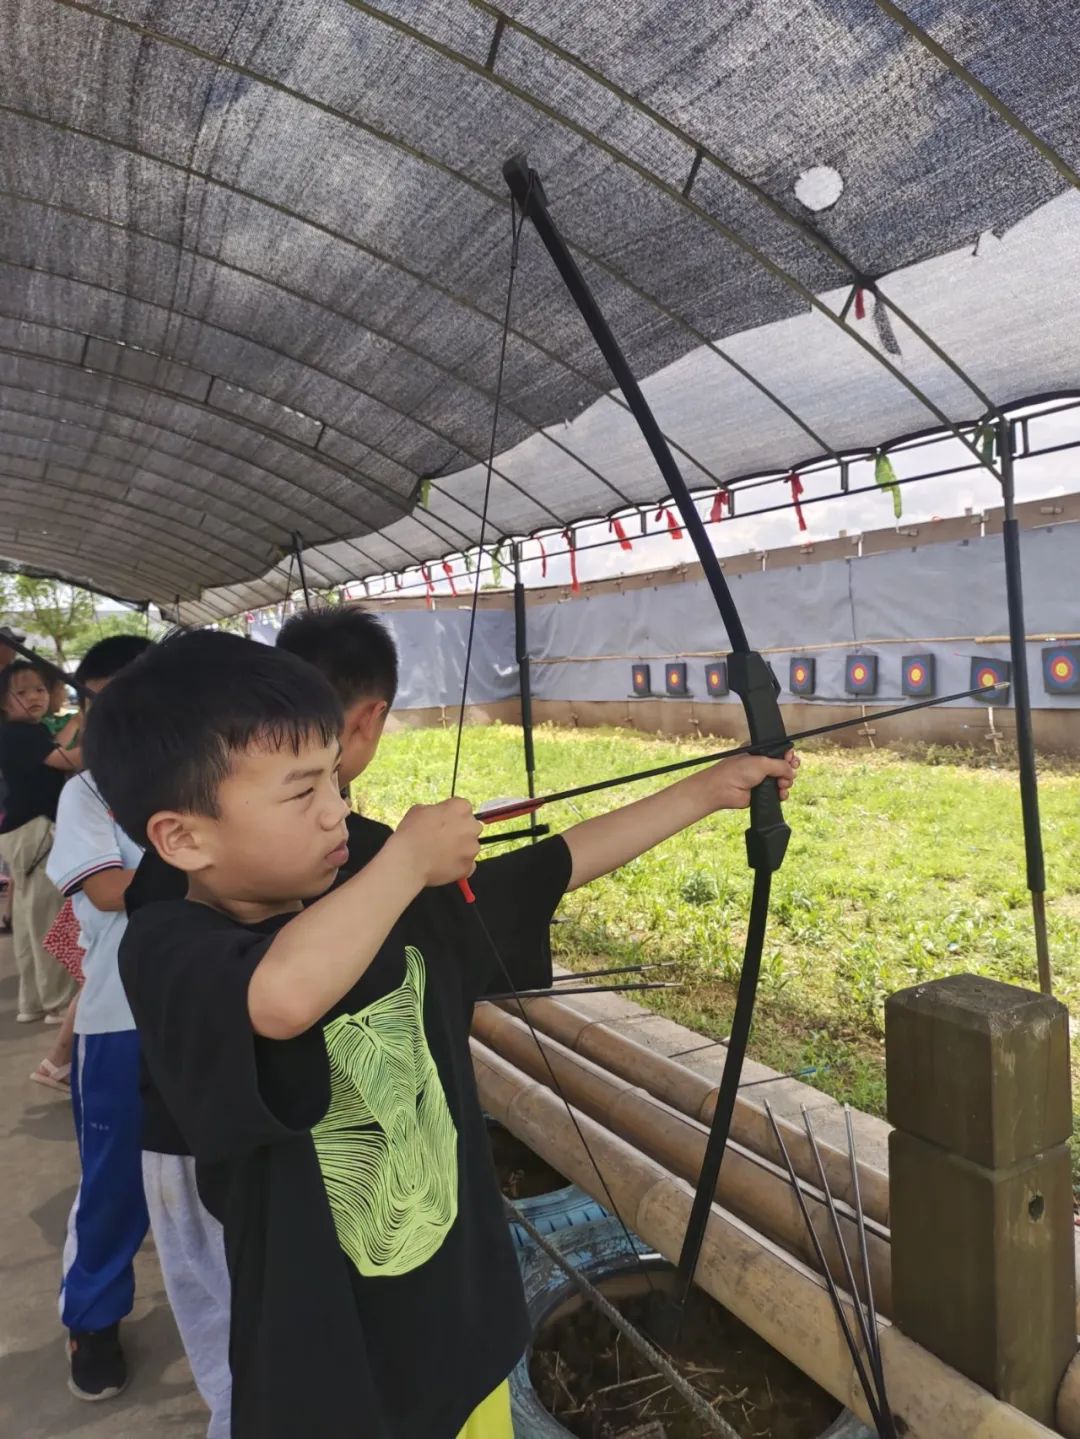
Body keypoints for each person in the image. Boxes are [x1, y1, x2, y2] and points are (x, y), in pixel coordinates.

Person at [86, 629, 797, 1439]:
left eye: (335, 776)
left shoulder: (370, 870)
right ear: (183, 838)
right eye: (300, 792)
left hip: (464, 1331)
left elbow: (539, 873)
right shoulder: (171, 943)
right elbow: (279, 995)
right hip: (330, 1378)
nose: (339, 810)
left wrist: (705, 790)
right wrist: (405, 866)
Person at [45, 635, 154, 1401]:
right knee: (115, 1179)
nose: (104, 716)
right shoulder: (89, 794)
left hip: (219, 1006)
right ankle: (94, 1315)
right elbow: (110, 889)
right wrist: (219, 862)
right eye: (94, 701)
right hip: (120, 1015)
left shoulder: (216, 769)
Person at [0, 661, 79, 1022]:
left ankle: (32, 1001)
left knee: (31, 919)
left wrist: (80, 722)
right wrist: (109, 739)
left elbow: (54, 748)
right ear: (4, 701)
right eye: (22, 691)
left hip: (20, 832)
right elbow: (67, 760)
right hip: (38, 832)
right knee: (50, 916)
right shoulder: (21, 735)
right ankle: (58, 1002)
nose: (34, 696)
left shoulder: (23, 733)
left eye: (40, 690)